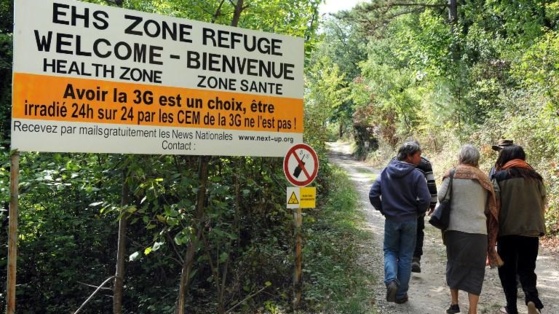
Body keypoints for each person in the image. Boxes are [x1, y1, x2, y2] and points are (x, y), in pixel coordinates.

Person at [440, 144, 501, 314]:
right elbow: (491, 207)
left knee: (454, 264)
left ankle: (454, 304)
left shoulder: (452, 174)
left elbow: (441, 196)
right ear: (477, 159)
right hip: (479, 232)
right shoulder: (484, 178)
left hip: (455, 229)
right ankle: (472, 310)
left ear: (460, 157)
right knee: (476, 269)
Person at [369, 141, 431, 304]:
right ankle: (401, 294)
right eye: (418, 154)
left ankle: (390, 280)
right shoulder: (417, 175)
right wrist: (417, 212)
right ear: (409, 156)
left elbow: (373, 194)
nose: (420, 157)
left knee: (390, 251)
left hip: (392, 220)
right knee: (405, 255)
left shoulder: (386, 171)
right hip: (410, 220)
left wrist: (383, 209)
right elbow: (425, 199)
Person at [492, 145, 546, 314]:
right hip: (531, 231)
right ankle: (531, 298)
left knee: (507, 270)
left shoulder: (499, 177)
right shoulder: (536, 177)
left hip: (507, 231)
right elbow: (543, 202)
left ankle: (511, 307)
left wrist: (492, 232)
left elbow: (495, 206)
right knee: (527, 267)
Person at [412, 155, 438, 273]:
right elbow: (431, 184)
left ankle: (400, 259)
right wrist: (432, 203)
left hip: (399, 203)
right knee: (418, 231)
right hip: (418, 202)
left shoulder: (395, 160)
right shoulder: (424, 162)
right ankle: (415, 258)